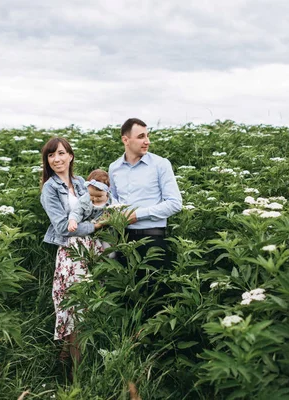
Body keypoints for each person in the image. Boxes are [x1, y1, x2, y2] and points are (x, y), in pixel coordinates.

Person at [39, 137, 104, 368]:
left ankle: (65, 359)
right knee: (75, 309)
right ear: (47, 160)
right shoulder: (50, 188)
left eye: (61, 153)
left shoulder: (80, 183)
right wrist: (95, 227)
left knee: (89, 305)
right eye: (51, 155)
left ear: (70, 156)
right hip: (71, 253)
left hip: (92, 250)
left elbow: (96, 207)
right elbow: (62, 227)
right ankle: (77, 371)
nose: (56, 159)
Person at [108, 118, 182, 268]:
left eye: (147, 136)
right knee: (125, 290)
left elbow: (175, 203)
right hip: (123, 240)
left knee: (155, 290)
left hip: (153, 242)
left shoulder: (161, 164)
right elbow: (112, 198)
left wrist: (137, 215)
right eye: (141, 137)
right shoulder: (114, 168)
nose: (147, 141)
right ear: (125, 140)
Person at [68, 169, 116, 233]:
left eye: (99, 196)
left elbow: (120, 211)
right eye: (91, 195)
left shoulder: (112, 202)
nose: (95, 199)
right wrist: (73, 220)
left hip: (107, 232)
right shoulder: (85, 199)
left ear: (107, 191)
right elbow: (77, 211)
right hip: (89, 230)